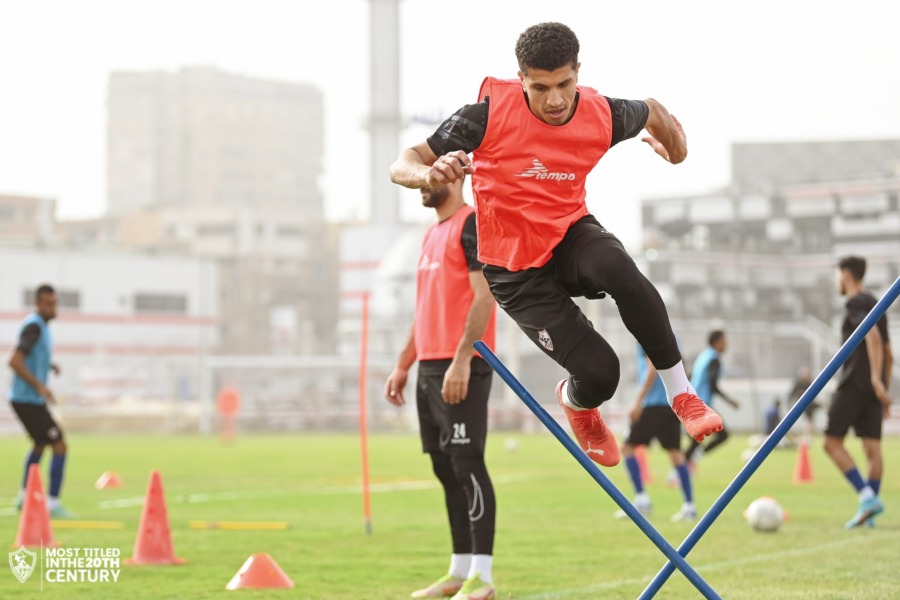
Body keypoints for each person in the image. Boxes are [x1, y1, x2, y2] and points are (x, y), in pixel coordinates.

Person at [389, 22, 723, 471]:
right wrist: (429, 174)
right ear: (521, 79)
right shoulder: (485, 116)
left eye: (565, 84)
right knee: (602, 375)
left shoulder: (602, 114)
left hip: (568, 235)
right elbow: (403, 163)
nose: (556, 100)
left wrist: (676, 152)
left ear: (578, 72)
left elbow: (654, 111)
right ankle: (575, 402)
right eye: (540, 87)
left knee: (619, 266)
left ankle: (682, 393)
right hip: (515, 271)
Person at [384, 177, 499, 600]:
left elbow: (484, 297)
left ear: (454, 177)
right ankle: (459, 570)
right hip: (429, 368)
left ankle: (482, 577)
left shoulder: (471, 225)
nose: (421, 184)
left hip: (462, 366)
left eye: (430, 175)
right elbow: (425, 308)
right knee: (445, 468)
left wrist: (463, 358)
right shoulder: (430, 235)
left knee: (468, 465)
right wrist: (402, 364)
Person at [823, 256, 892, 529]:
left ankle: (866, 498)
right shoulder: (877, 302)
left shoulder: (855, 302)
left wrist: (875, 380)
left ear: (847, 275)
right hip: (873, 388)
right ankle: (869, 514)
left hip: (855, 382)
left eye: (837, 274)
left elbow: (872, 336)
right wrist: (882, 388)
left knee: (831, 442)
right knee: (872, 448)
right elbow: (888, 352)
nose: (837, 280)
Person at [7, 284, 72, 517]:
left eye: (54, 303)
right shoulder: (34, 326)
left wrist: (49, 365)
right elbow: (14, 361)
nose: (52, 308)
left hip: (26, 399)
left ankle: (25, 497)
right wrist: (40, 386)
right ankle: (52, 503)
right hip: (28, 399)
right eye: (48, 304)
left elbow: (34, 355)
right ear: (38, 304)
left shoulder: (40, 327)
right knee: (60, 444)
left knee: (40, 443)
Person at [616, 344, 696, 522]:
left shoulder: (644, 327)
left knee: (627, 448)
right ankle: (689, 506)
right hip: (671, 403)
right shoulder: (670, 334)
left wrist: (637, 401)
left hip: (653, 404)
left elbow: (652, 366)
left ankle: (641, 500)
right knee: (676, 454)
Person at [684, 330, 740, 466]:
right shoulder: (714, 359)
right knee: (722, 435)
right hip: (702, 404)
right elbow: (712, 384)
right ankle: (683, 468)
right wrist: (730, 401)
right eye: (724, 340)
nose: (726, 344)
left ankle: (683, 468)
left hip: (693, 402)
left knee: (695, 441)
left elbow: (690, 377)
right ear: (717, 342)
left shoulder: (703, 356)